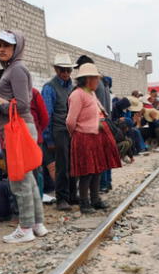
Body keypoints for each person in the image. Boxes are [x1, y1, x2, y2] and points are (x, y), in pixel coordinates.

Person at [0, 30, 47, 243]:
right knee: (28, 179)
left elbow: (21, 104)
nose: (1, 49)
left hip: (17, 129)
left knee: (19, 180)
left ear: (17, 47)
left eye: (7, 45)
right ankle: (37, 224)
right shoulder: (13, 69)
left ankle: (25, 228)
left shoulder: (17, 69)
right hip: (19, 128)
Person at [66, 63, 121, 213]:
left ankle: (95, 199)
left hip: (95, 137)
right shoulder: (77, 95)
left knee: (97, 169)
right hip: (83, 137)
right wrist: (77, 133)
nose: (98, 81)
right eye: (95, 79)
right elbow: (70, 121)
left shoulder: (91, 93)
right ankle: (84, 203)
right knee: (86, 171)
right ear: (87, 79)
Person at [42, 53, 78, 211]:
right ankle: (61, 198)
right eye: (62, 70)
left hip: (73, 131)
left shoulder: (72, 87)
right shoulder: (49, 88)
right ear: (56, 69)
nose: (65, 73)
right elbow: (46, 115)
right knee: (62, 166)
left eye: (68, 70)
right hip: (58, 131)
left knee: (73, 163)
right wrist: (48, 139)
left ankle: (72, 194)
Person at [30, 87, 50, 200]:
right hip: (16, 141)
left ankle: (38, 198)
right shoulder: (6, 94)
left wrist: (37, 131)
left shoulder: (33, 93)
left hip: (34, 139)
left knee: (36, 171)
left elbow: (45, 117)